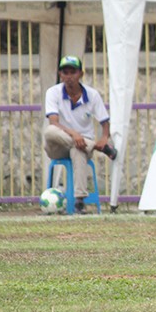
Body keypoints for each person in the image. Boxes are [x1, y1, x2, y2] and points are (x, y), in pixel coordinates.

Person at [43, 55, 117, 213]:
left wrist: (104, 137)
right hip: (58, 144)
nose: (69, 77)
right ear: (60, 75)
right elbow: (54, 122)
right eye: (65, 73)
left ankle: (79, 201)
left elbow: (105, 122)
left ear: (81, 74)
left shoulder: (92, 95)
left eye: (73, 72)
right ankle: (95, 147)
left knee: (78, 150)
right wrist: (75, 135)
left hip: (81, 146)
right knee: (49, 132)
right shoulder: (53, 92)